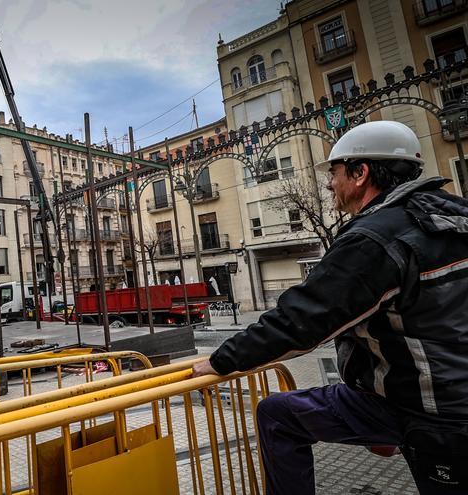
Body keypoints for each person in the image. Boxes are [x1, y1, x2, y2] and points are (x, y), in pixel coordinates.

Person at [192, 121, 468, 494]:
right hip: (420, 396)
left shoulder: (376, 236)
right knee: (279, 413)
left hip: (434, 412)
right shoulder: (457, 213)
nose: (329, 183)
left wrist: (220, 360)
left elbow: (304, 319)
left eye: (335, 172)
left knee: (277, 415)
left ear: (360, 173)